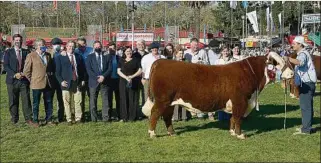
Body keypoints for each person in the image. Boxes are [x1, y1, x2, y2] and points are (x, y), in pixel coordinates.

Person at [283, 36, 317, 135]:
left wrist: (288, 58)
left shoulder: (302, 54)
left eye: (294, 43)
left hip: (307, 84)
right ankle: (306, 127)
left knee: (306, 106)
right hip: (305, 83)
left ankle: (306, 129)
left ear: (300, 44)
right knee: (305, 106)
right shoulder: (301, 53)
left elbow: (300, 62)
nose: (292, 45)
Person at [4, 34, 38, 127]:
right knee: (13, 100)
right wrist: (15, 74)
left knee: (26, 100)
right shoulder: (8, 52)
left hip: (24, 80)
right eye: (16, 40)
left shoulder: (26, 52)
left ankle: (28, 119)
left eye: (19, 40)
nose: (17, 41)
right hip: (12, 80)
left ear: (21, 41)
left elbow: (29, 65)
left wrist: (23, 73)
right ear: (13, 41)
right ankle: (14, 119)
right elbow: (6, 66)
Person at [23, 39, 56, 125]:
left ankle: (49, 119)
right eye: (41, 44)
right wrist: (32, 80)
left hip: (48, 82)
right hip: (36, 83)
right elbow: (26, 71)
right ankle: (35, 120)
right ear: (36, 46)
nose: (43, 45)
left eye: (44, 44)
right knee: (36, 103)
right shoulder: (31, 56)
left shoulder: (48, 55)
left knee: (49, 101)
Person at [55, 41, 86, 125]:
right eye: (69, 46)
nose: (71, 48)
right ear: (66, 47)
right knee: (67, 102)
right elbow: (57, 72)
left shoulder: (79, 57)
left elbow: (82, 70)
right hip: (66, 82)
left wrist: (83, 80)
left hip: (77, 81)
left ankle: (78, 118)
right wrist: (61, 81)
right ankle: (69, 119)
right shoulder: (60, 57)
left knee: (78, 101)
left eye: (72, 46)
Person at [183, 38, 211, 120]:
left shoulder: (203, 52)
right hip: (189, 78)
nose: (195, 46)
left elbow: (208, 64)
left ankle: (200, 113)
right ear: (190, 44)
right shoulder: (186, 53)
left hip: (200, 78)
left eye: (196, 45)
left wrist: (202, 63)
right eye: (193, 44)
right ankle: (190, 113)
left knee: (200, 96)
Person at [85, 41, 112, 122]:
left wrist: (103, 76)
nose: (98, 47)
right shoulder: (89, 57)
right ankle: (94, 118)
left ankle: (105, 118)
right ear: (93, 47)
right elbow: (89, 70)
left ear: (101, 46)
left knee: (105, 100)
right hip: (93, 81)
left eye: (99, 46)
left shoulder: (107, 56)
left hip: (105, 80)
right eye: (96, 46)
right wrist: (97, 78)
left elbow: (110, 68)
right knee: (93, 100)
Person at [117, 47, 142, 122]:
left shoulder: (136, 60)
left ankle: (132, 117)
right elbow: (118, 71)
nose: (129, 52)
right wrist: (126, 77)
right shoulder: (121, 60)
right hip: (123, 82)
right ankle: (124, 117)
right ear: (124, 52)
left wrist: (132, 76)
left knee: (133, 99)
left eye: (130, 51)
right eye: (127, 51)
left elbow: (140, 70)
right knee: (124, 98)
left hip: (134, 81)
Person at [75, 37, 92, 117]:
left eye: (83, 45)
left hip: (90, 77)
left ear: (86, 44)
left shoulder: (91, 50)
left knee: (91, 96)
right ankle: (82, 114)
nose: (81, 47)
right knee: (80, 97)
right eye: (79, 45)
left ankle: (92, 114)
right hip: (80, 77)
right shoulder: (75, 51)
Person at [172, 45, 190, 121]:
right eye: (179, 53)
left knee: (184, 100)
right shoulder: (172, 63)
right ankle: (175, 116)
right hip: (175, 84)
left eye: (182, 53)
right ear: (175, 54)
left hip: (185, 84)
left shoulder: (186, 62)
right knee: (176, 100)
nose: (181, 55)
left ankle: (184, 116)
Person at [214, 46, 232, 121]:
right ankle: (221, 116)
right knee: (220, 100)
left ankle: (228, 116)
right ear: (221, 52)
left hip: (230, 83)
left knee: (229, 100)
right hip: (220, 83)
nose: (225, 52)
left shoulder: (232, 61)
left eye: (227, 51)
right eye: (224, 51)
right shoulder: (217, 61)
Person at [51, 37, 65, 122]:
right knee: (49, 99)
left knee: (61, 98)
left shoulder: (62, 53)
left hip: (60, 79)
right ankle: (50, 117)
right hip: (51, 79)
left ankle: (60, 116)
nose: (57, 46)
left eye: (58, 44)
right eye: (55, 44)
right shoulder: (49, 54)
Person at [106, 42, 120, 121]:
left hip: (117, 80)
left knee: (118, 99)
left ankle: (118, 114)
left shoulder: (119, 58)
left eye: (113, 48)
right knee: (109, 99)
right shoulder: (106, 57)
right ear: (108, 49)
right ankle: (110, 115)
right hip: (109, 81)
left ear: (115, 49)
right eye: (110, 48)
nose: (112, 50)